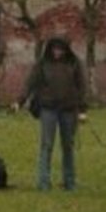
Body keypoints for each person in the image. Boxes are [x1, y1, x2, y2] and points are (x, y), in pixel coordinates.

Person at [17, 37, 88, 191]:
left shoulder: (74, 63)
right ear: (50, 49)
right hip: (48, 109)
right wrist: (19, 101)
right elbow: (30, 83)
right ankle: (43, 182)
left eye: (60, 49)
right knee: (46, 145)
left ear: (65, 50)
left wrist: (82, 110)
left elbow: (82, 87)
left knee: (68, 146)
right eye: (55, 49)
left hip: (69, 109)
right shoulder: (42, 64)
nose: (57, 52)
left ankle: (69, 182)